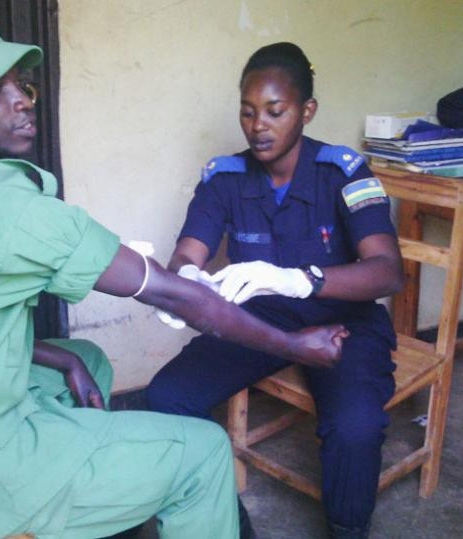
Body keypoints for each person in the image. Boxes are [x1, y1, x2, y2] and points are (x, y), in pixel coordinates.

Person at [0, 15, 349, 539]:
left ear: (306, 113)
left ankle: (92, 486)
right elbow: (178, 293)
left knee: (85, 360)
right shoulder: (8, 208)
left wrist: (63, 358)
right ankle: (89, 479)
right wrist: (295, 345)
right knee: (204, 453)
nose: (21, 100)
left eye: (20, 84)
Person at [145, 42, 405, 539]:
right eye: (247, 111)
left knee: (355, 427)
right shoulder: (224, 177)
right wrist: (185, 283)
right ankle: (230, 524)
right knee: (166, 397)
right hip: (259, 318)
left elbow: (387, 271)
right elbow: (188, 253)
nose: (257, 125)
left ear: (307, 111)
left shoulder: (344, 172)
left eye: (274, 111)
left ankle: (348, 531)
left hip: (343, 319)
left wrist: (302, 278)